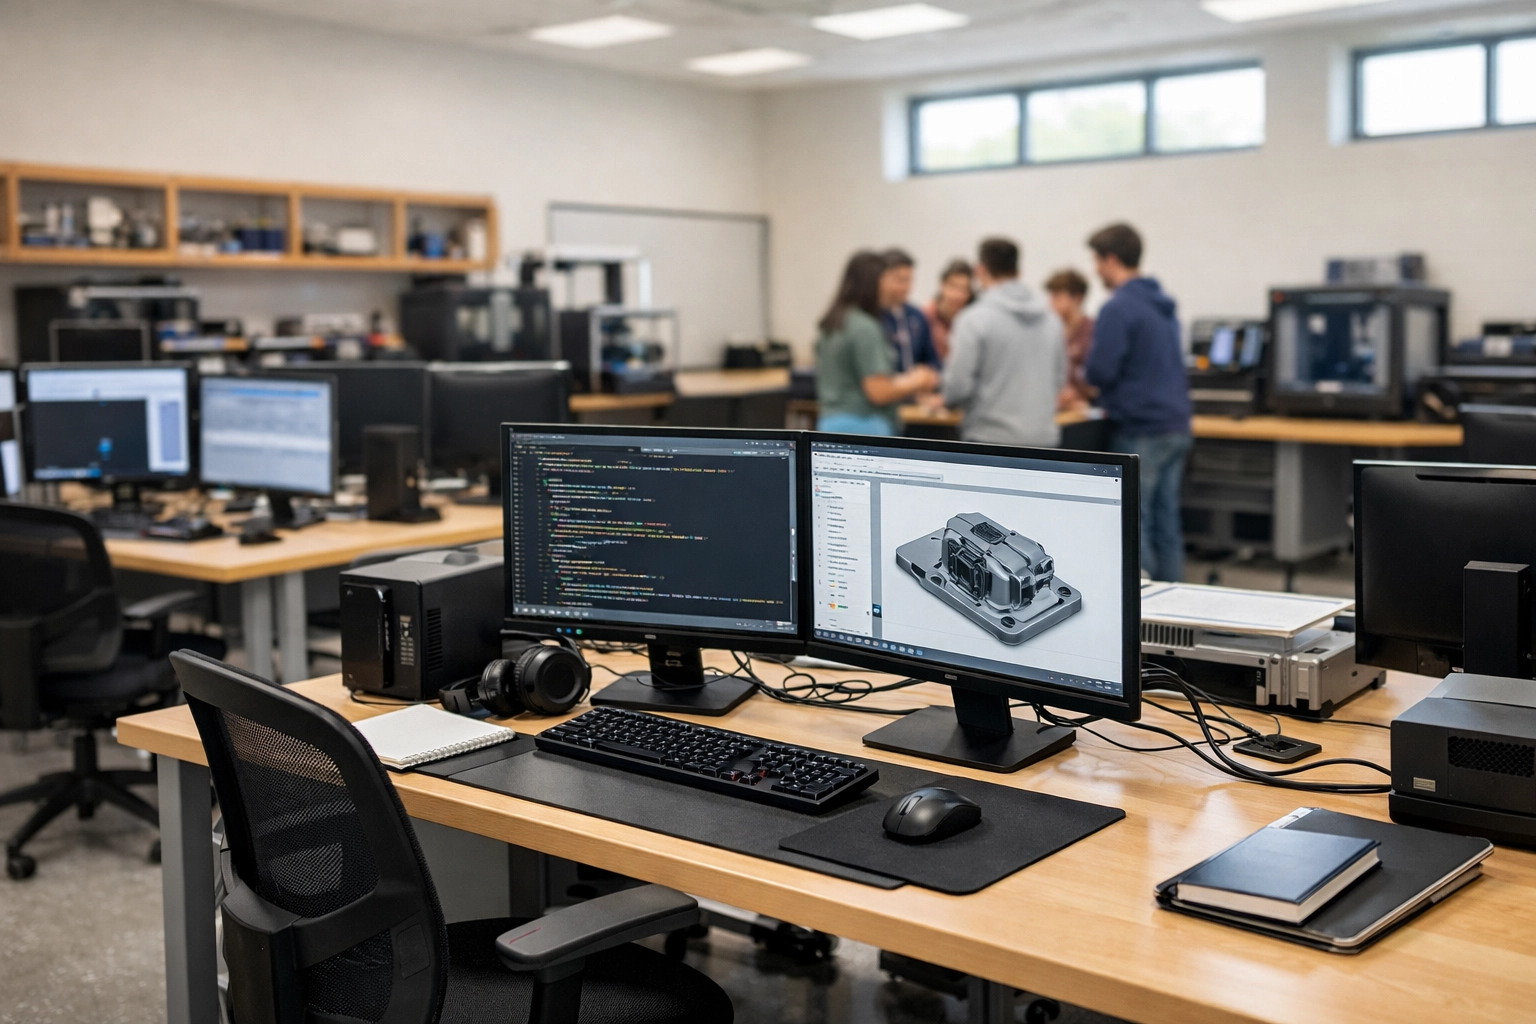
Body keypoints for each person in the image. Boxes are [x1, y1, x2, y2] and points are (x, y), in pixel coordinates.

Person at [1084, 222, 1193, 583]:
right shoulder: (1163, 306)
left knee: (1135, 523)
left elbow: (1100, 370)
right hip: (1175, 426)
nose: (1095, 270)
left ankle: (1143, 608)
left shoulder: (1119, 307)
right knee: (1166, 522)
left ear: (1111, 260)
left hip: (1140, 429)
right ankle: (1175, 603)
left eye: (1097, 261)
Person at [941, 237, 1064, 447]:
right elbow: (1058, 379)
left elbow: (958, 387)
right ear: (1018, 272)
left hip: (989, 440)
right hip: (1043, 440)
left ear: (980, 271)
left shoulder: (973, 319)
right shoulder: (1052, 320)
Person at [815, 250, 939, 435]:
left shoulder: (834, 322)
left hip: (829, 423)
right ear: (872, 284)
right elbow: (878, 392)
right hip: (864, 426)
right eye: (887, 280)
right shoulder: (865, 328)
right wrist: (916, 380)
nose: (890, 288)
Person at [878, 249, 942, 372]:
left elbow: (932, 360)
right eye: (900, 280)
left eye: (909, 280)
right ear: (882, 278)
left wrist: (928, 373)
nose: (906, 287)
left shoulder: (917, 316)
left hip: (917, 383)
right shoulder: (872, 317)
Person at [1045, 268, 1096, 411]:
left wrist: (1079, 393)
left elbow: (1100, 378)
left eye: (1057, 297)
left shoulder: (1093, 331)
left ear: (1077, 298)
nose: (1051, 303)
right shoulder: (1049, 334)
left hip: (1086, 411)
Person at [924, 259, 975, 362]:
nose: (958, 295)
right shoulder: (926, 317)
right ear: (943, 285)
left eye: (964, 289)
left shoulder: (974, 320)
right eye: (953, 287)